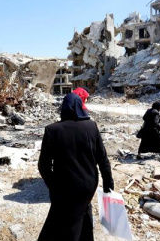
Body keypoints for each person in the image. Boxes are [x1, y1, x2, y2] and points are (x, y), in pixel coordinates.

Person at [38, 93, 114, 241]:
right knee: (83, 214)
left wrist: (53, 186)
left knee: (69, 226)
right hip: (88, 185)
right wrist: (108, 184)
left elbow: (43, 165)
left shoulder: (52, 130)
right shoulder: (91, 126)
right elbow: (103, 159)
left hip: (64, 187)